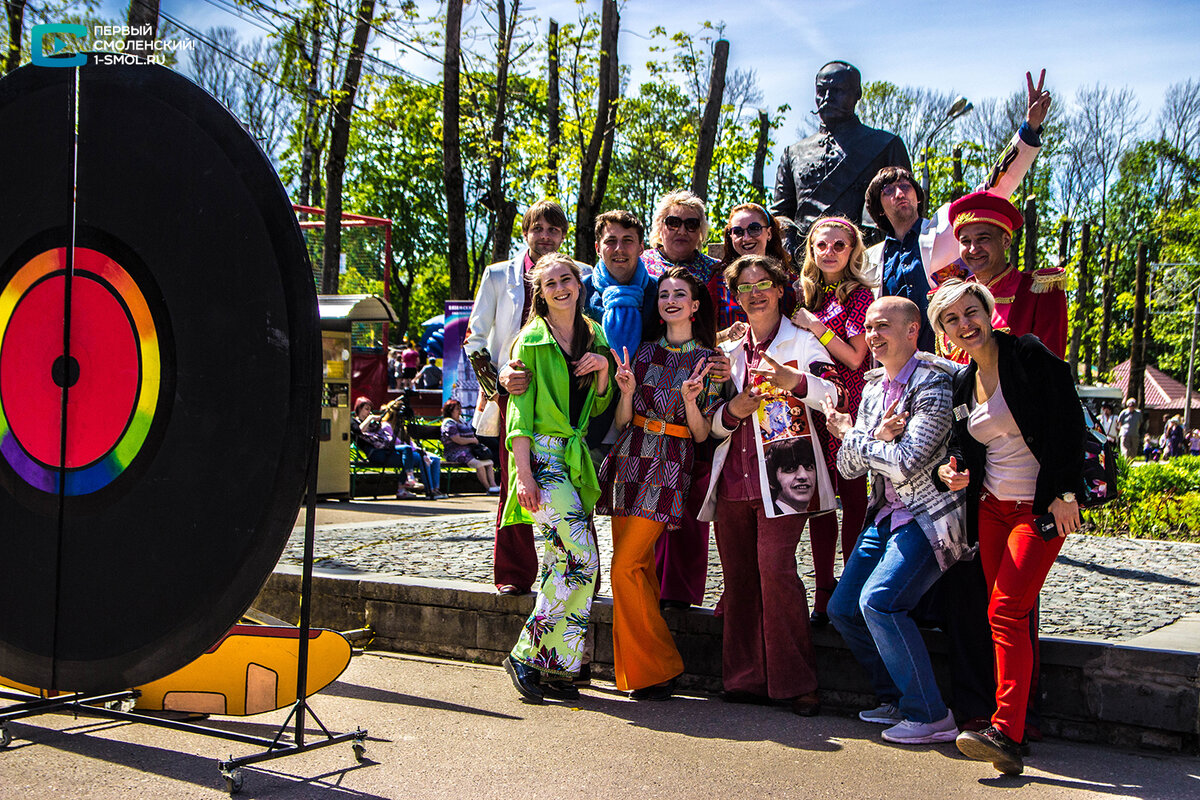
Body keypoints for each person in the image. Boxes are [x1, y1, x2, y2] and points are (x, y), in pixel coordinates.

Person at [929, 279, 1085, 776]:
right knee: (1004, 617)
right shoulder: (961, 380)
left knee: (1006, 612)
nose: (963, 324)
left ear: (988, 312)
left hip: (1038, 510)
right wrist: (951, 470)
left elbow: (1068, 422)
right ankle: (1009, 723)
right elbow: (964, 445)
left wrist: (1066, 494)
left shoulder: (1027, 354)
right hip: (992, 510)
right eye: (951, 319)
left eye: (970, 312)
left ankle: (1007, 731)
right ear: (943, 330)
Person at [696, 253, 845, 716]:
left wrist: (792, 380)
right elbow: (712, 420)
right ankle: (744, 679)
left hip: (786, 474)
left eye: (764, 284)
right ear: (734, 296)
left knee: (776, 571)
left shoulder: (802, 339)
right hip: (733, 480)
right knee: (738, 579)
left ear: (781, 290)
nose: (754, 293)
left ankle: (796, 682)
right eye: (744, 287)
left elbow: (833, 395)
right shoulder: (727, 348)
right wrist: (730, 411)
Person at [821, 296, 968, 745]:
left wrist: (857, 437)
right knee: (842, 609)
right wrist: (874, 436)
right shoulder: (869, 389)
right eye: (868, 326)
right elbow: (846, 467)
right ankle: (896, 699)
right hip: (884, 514)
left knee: (880, 602)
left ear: (912, 330)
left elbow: (907, 462)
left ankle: (931, 714)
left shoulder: (935, 385)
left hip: (929, 517)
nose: (872, 335)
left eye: (883, 326)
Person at [596, 266, 722, 700]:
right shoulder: (643, 352)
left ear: (695, 304)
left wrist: (690, 401)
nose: (670, 300)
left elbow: (703, 434)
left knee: (623, 567)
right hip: (630, 458)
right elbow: (622, 421)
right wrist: (626, 390)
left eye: (680, 294)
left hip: (670, 463)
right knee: (639, 570)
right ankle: (642, 672)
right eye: (664, 293)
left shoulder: (710, 361)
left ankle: (659, 664)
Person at [863, 70, 1053, 352]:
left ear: (918, 196)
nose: (899, 192)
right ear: (878, 207)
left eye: (906, 186)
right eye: (888, 190)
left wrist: (1028, 131)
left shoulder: (945, 228)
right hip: (892, 369)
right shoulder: (868, 258)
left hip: (948, 359)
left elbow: (994, 187)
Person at [501, 254, 613, 704]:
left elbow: (600, 408)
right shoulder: (530, 341)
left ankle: (557, 665)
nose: (561, 288)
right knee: (583, 560)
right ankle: (526, 655)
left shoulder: (593, 333)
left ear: (578, 284)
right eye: (550, 284)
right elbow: (519, 417)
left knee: (561, 563)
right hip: (543, 461)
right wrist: (522, 475)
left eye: (567, 279)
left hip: (573, 458)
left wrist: (603, 372)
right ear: (540, 293)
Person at [465, 200, 582, 595]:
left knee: (567, 480)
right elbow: (474, 339)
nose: (545, 236)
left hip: (562, 395)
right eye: (538, 229)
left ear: (562, 235)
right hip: (511, 393)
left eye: (553, 229)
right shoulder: (499, 276)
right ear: (526, 233)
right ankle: (514, 574)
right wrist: (497, 385)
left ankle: (575, 567)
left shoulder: (574, 276)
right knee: (517, 482)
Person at [636, 190, 733, 611]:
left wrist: (726, 357)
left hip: (704, 369)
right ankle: (643, 585)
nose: (681, 230)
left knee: (695, 486)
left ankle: (681, 591)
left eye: (691, 223)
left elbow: (736, 316)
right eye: (673, 222)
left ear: (702, 231)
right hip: (648, 372)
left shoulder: (718, 270)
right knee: (645, 497)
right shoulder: (641, 267)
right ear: (660, 226)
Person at [789, 216, 873, 627]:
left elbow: (856, 356)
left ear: (853, 250)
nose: (830, 252)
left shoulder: (861, 295)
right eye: (822, 245)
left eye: (840, 245)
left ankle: (853, 590)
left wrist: (817, 327)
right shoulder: (801, 292)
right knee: (820, 501)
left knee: (853, 499)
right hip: (808, 404)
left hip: (850, 407)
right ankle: (823, 592)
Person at [771, 61, 911, 248]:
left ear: (857, 94)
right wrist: (787, 246)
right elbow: (780, 214)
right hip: (805, 261)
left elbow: (907, 209)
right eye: (821, 91)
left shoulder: (885, 145)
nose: (827, 98)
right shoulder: (793, 153)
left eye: (838, 90)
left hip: (864, 258)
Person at [707, 203, 796, 336]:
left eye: (754, 229)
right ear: (730, 236)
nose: (747, 238)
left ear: (769, 233)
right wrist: (726, 335)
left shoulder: (790, 281)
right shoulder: (718, 282)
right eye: (738, 232)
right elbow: (704, 338)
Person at [350, 396, 417, 500]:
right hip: (375, 453)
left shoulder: (374, 424)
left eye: (370, 410)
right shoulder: (353, 421)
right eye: (366, 409)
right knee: (410, 459)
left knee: (407, 450)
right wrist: (370, 418)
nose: (369, 412)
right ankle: (402, 488)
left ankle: (409, 478)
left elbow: (384, 435)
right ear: (359, 409)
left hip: (386, 448)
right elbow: (359, 430)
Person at [380, 399, 446, 500]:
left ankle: (436, 488)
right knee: (422, 458)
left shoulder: (402, 427)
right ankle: (429, 490)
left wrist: (420, 450)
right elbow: (393, 442)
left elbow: (410, 442)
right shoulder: (386, 426)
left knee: (435, 458)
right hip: (397, 452)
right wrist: (420, 453)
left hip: (410, 450)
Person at [440, 399, 500, 493]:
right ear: (450, 411)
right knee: (479, 464)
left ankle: (493, 485)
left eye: (460, 409)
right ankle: (488, 488)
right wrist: (472, 440)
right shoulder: (449, 423)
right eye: (457, 409)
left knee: (489, 462)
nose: (460, 411)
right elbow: (457, 439)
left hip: (468, 451)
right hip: (455, 453)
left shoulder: (461, 421)